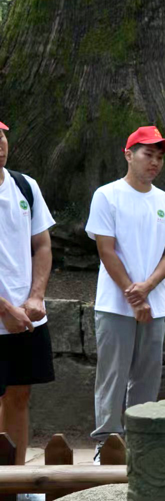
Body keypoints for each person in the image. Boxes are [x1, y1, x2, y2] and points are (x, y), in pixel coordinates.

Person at [85, 126, 165, 462]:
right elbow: (106, 249)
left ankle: (142, 443)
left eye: (160, 157)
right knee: (112, 376)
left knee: (147, 377)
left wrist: (148, 289)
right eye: (148, 154)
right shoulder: (107, 196)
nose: (154, 162)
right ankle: (106, 445)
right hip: (115, 304)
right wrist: (135, 295)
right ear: (129, 155)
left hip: (155, 305)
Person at [0, 119, 56, 465]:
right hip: (7, 313)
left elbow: (42, 245)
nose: (0, 145)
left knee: (20, 396)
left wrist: (36, 296)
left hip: (26, 315)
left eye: (2, 136)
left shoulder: (25, 185)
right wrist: (4, 308)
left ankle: (16, 479)